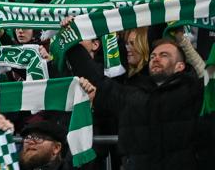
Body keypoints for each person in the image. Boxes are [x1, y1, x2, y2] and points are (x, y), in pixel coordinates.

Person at [65, 30, 202, 168]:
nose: (156, 58)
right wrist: (71, 41)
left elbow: (208, 77)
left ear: (180, 66)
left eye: (164, 55)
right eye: (153, 56)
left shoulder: (193, 92)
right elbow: (99, 82)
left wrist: (182, 40)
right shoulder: (133, 95)